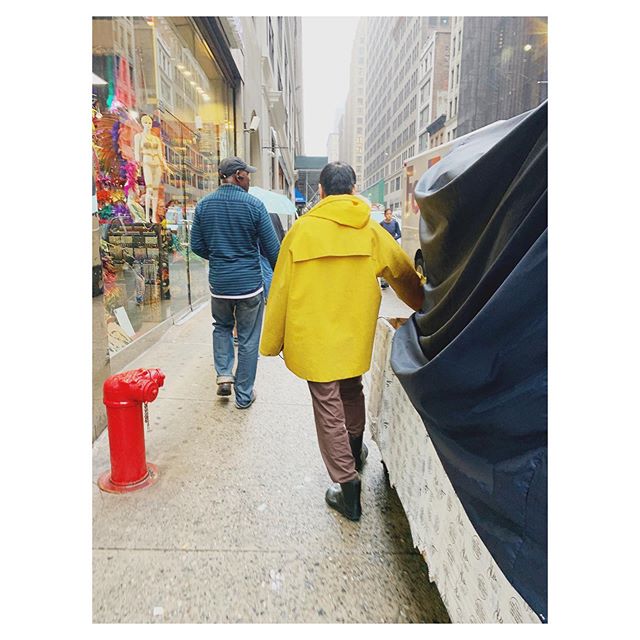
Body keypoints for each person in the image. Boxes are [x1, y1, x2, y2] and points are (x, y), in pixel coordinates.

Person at [260, 162, 425, 521]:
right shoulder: (370, 230)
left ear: (320, 191)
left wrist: (271, 341)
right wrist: (426, 307)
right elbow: (401, 273)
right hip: (354, 330)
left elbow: (281, 287)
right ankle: (355, 450)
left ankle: (347, 488)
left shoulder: (302, 230)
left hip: (313, 335)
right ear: (353, 189)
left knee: (327, 404)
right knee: (351, 389)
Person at [190, 156, 280, 409]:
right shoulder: (254, 205)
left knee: (221, 326)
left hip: (219, 284)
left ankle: (224, 374)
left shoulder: (204, 205)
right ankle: (243, 395)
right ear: (238, 175)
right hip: (249, 284)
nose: (249, 179)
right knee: (249, 339)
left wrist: (220, 258)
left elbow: (197, 245)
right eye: (248, 174)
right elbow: (273, 250)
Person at [134, 115, 168, 223]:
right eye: (146, 122)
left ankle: (153, 216)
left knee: (155, 190)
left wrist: (165, 165)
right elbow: (137, 153)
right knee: (149, 189)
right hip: (147, 162)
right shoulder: (139, 137)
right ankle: (147, 217)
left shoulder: (156, 139)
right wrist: (137, 166)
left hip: (157, 163)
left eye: (149, 123)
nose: (148, 125)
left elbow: (160, 154)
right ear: (142, 124)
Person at [379, 208, 402, 289]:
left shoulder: (395, 223)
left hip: (393, 244)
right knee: (384, 263)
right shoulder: (381, 224)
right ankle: (383, 281)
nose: (389, 215)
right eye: (387, 214)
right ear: (385, 215)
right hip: (384, 245)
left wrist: (393, 238)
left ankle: (392, 280)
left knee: (393, 262)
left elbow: (399, 234)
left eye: (390, 214)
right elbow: (379, 234)